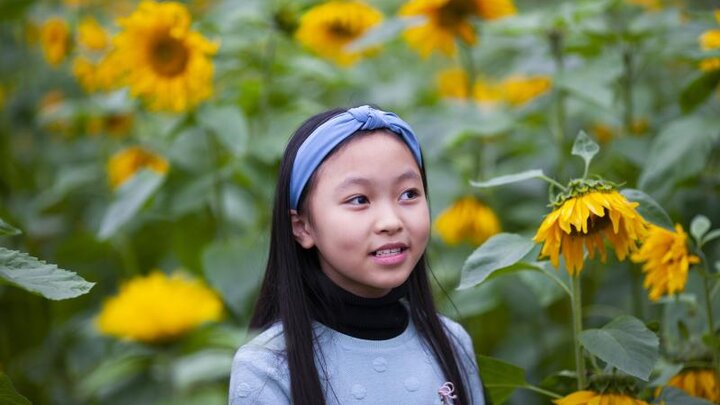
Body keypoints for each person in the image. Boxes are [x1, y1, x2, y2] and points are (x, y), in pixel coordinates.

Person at [229, 105, 489, 405]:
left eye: (408, 194)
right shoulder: (267, 367)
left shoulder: (452, 343)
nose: (391, 221)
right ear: (302, 227)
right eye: (359, 199)